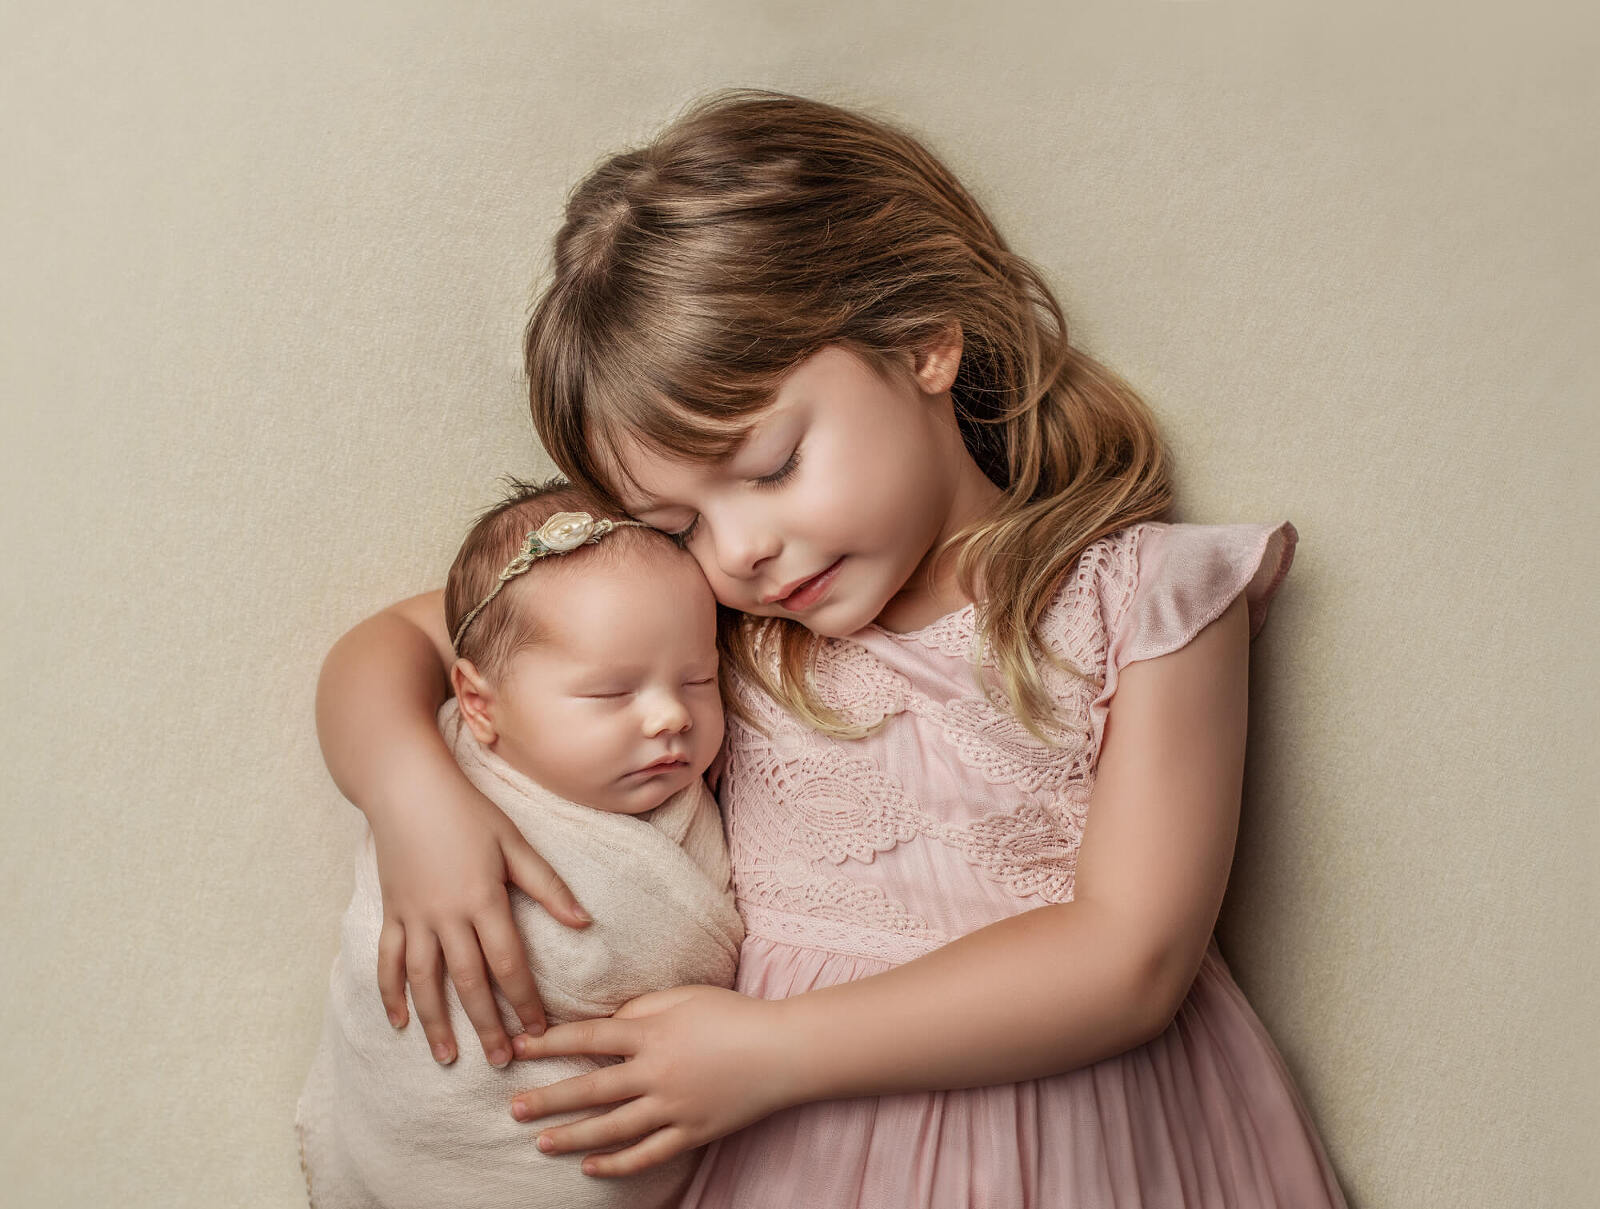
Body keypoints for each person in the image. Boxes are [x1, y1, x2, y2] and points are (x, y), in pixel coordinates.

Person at [315, 89, 1350, 1207]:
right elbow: (391, 648)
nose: (742, 548)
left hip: (1063, 1147)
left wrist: (771, 1054)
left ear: (924, 342)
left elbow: (1129, 960)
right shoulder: (714, 618)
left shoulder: (1138, 600)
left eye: (769, 467)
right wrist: (410, 795)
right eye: (678, 524)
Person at [298, 478, 743, 1209]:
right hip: (441, 1123)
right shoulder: (444, 766)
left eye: (699, 679)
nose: (673, 716)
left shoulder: (685, 803)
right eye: (612, 693)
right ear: (478, 704)